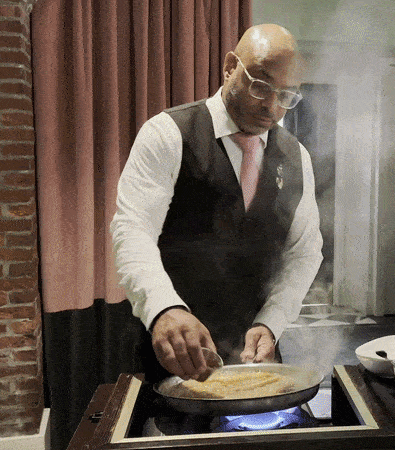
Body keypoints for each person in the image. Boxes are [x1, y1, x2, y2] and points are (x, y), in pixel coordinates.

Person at [110, 24, 323, 382]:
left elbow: (304, 251)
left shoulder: (296, 156)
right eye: (261, 86)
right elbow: (132, 229)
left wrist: (271, 322)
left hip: (255, 353)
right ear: (229, 67)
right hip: (171, 347)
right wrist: (164, 308)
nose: (272, 107)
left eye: (287, 95)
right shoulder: (168, 133)